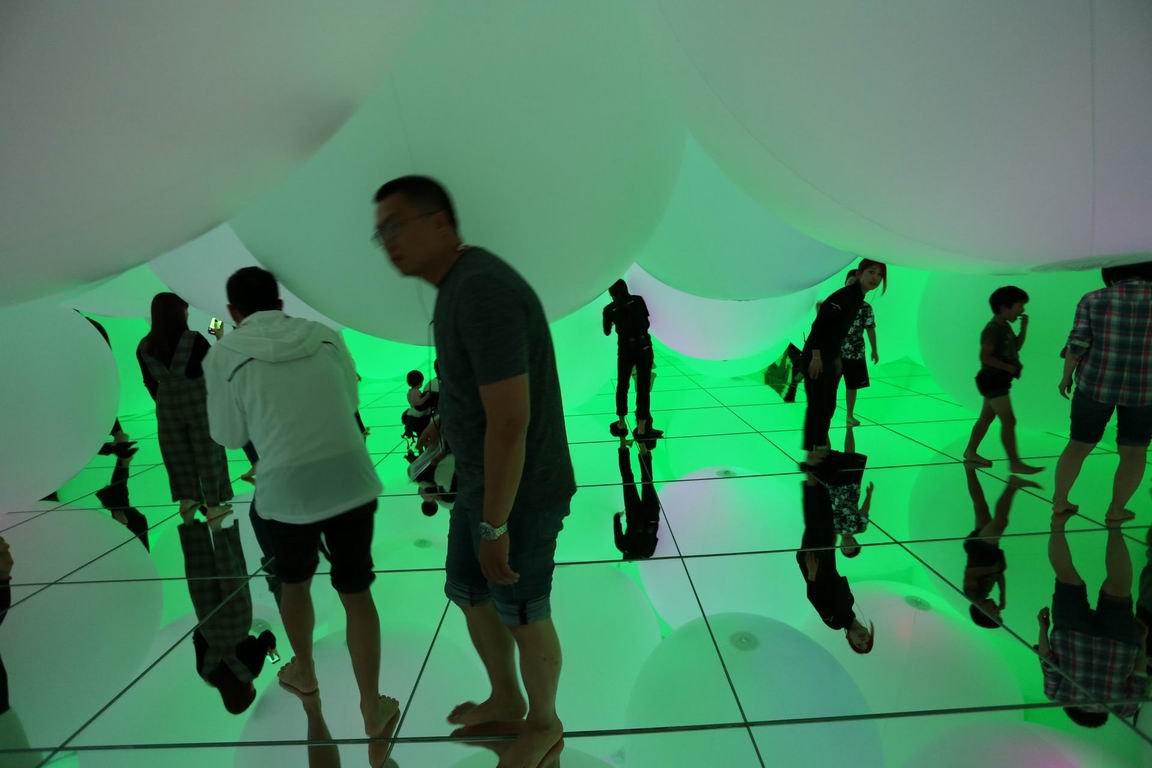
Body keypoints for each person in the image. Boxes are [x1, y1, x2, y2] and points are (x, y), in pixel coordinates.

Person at [374, 175, 572, 768]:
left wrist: (494, 524)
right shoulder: (456, 287)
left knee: (523, 608)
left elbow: (511, 421)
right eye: (380, 233)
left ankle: (545, 723)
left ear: (439, 223)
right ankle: (507, 696)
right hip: (480, 483)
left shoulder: (481, 289)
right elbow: (478, 391)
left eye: (395, 226)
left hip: (521, 490)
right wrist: (444, 429)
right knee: (466, 588)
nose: (387, 242)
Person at [203, 267, 398, 764]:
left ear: (233, 312)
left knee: (295, 583)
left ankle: (305, 672)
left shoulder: (223, 354)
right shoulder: (325, 336)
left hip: (286, 489)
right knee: (356, 591)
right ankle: (372, 706)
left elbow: (227, 435)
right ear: (279, 301)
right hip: (349, 478)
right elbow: (349, 400)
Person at [1052, 260, 1152, 523]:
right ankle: (1116, 509)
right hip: (1145, 391)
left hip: (1095, 385)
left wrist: (1066, 377)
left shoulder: (1093, 299)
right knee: (1134, 452)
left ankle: (1060, 500)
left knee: (1078, 445)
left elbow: (1077, 344)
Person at [1038, 508, 1149, 726]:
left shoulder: (1124, 708)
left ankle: (1114, 526)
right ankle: (1058, 524)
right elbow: (1047, 661)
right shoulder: (1057, 697)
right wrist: (1042, 628)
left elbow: (1139, 674)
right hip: (1071, 637)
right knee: (1067, 577)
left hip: (1117, 644)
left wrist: (1142, 641)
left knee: (1118, 587)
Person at [137, 292, 233, 523]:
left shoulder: (144, 346)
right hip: (198, 404)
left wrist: (164, 401)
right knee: (208, 453)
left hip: (167, 407)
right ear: (178, 313)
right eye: (185, 309)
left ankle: (187, 501)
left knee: (177, 455)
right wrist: (219, 338)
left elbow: (149, 381)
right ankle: (213, 505)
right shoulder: (193, 339)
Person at [180, 509, 278, 715]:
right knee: (201, 573)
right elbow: (197, 636)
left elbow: (266, 637)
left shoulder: (251, 672)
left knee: (231, 572)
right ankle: (189, 521)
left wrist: (270, 649)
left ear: (247, 691)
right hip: (208, 620)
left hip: (238, 621)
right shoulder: (206, 672)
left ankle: (217, 527)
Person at [800, 260, 886, 468]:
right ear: (860, 273)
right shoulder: (847, 296)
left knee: (827, 404)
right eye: (871, 272)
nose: (875, 278)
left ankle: (819, 450)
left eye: (879, 275)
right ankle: (813, 454)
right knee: (818, 405)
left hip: (830, 356)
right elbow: (820, 326)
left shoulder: (858, 298)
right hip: (817, 356)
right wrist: (817, 357)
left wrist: (836, 357)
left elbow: (836, 332)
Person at [962, 286, 1042, 474]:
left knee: (986, 418)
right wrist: (1009, 368)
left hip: (997, 380)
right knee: (1009, 421)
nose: (1022, 310)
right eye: (1019, 306)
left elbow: (1016, 346)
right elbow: (985, 356)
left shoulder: (1004, 327)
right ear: (1005, 307)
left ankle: (970, 451)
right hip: (994, 381)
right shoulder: (993, 329)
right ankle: (1014, 462)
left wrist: (1023, 328)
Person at [797, 472, 875, 653]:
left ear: (849, 639)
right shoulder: (850, 601)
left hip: (813, 565)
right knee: (824, 522)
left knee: (815, 524)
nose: (863, 640)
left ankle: (813, 479)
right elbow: (834, 574)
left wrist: (812, 574)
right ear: (868, 631)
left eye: (859, 644)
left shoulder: (835, 623)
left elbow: (815, 598)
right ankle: (820, 479)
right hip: (828, 559)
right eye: (867, 641)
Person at [961, 465, 1039, 629]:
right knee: (980, 506)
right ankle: (969, 469)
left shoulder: (972, 595)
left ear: (983, 613)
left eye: (996, 614)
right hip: (985, 549)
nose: (998, 609)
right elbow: (998, 575)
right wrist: (1003, 594)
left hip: (981, 549)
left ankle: (1012, 485)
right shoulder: (983, 594)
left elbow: (970, 573)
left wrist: (993, 569)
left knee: (1001, 521)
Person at [603, 279, 662, 441]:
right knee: (643, 387)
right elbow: (646, 323)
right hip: (644, 348)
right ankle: (642, 428)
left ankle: (621, 423)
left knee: (622, 386)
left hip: (625, 351)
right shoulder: (638, 300)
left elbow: (607, 331)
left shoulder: (609, 309)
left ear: (611, 293)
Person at [838, 270, 879, 426]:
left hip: (855, 353)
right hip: (835, 353)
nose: (852, 286)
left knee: (852, 385)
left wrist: (874, 350)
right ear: (845, 283)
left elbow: (870, 328)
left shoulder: (866, 307)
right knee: (830, 385)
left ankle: (849, 415)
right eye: (850, 283)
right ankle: (826, 415)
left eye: (855, 284)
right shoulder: (836, 304)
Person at [614, 442, 660, 560]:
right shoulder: (622, 546)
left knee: (647, 480)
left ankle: (643, 447)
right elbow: (616, 522)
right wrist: (619, 515)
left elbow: (654, 534)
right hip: (633, 514)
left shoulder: (647, 553)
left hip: (651, 516)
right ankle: (623, 445)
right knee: (627, 478)